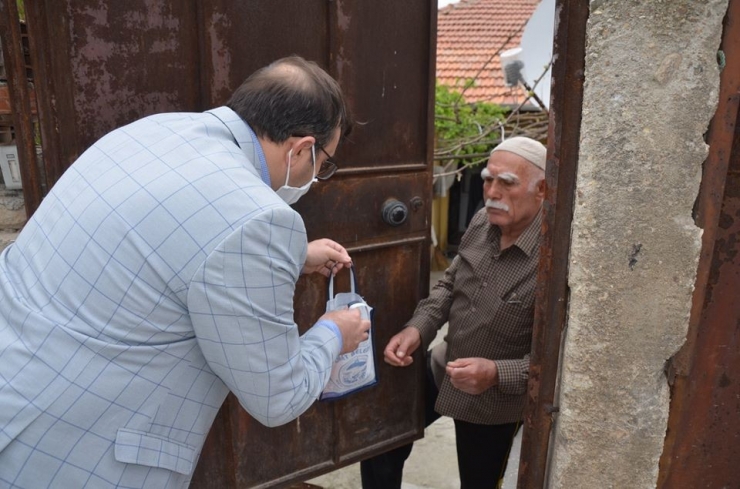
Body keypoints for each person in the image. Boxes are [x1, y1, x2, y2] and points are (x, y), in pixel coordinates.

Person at [0, 56, 371, 488]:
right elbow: (277, 395)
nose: (315, 175)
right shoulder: (258, 220)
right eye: (323, 163)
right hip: (81, 452)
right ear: (302, 148)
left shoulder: (152, 131)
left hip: (18, 391)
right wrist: (333, 333)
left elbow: (169, 242)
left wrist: (294, 255)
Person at [361, 136, 547, 489]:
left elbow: (557, 361)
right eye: (488, 180)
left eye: (507, 183)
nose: (492, 193)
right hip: (444, 364)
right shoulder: (482, 222)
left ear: (542, 190)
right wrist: (417, 329)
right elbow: (449, 285)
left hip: (496, 402)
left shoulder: (554, 258)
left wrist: (495, 373)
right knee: (380, 442)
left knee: (479, 482)